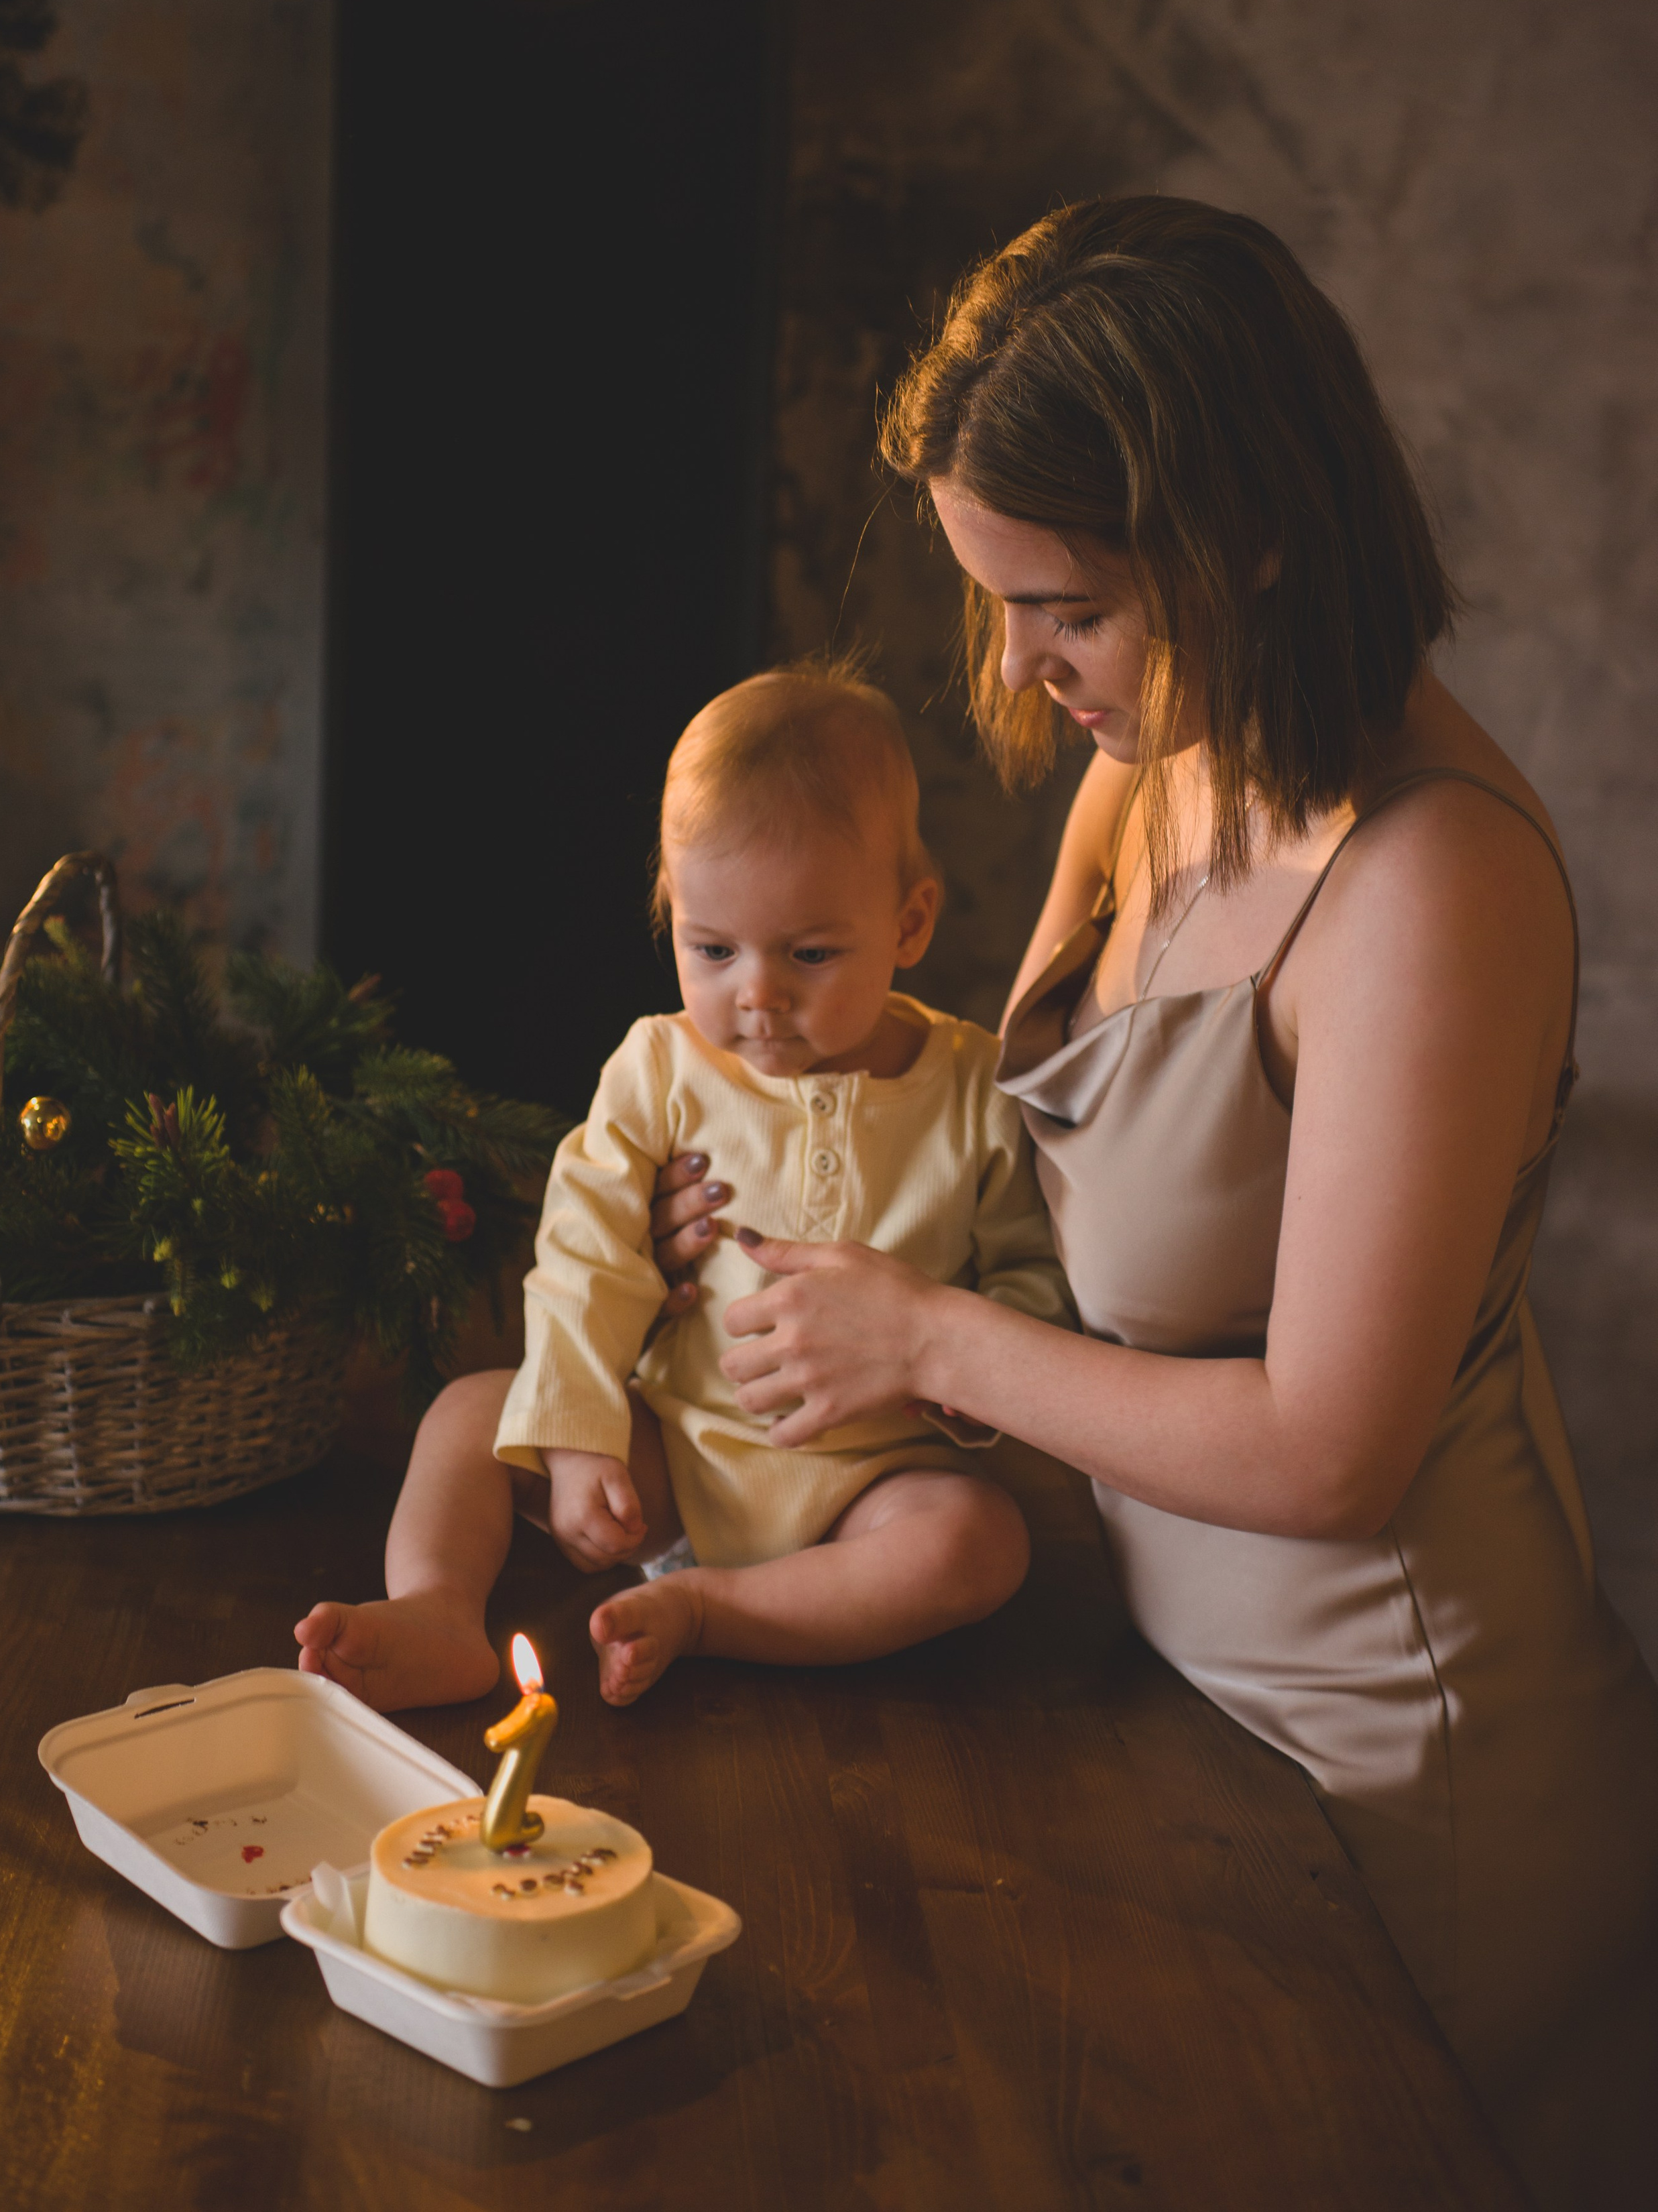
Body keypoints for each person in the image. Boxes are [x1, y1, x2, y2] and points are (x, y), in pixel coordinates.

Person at [647, 199, 1658, 2209]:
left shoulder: (1432, 884)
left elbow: (1331, 1449)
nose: (1023, 667)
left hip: (1399, 1775)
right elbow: (1008, 1162)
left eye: (1070, 608)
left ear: (1246, 534)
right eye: (998, 600)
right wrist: (763, 1194)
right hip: (1176, 1711)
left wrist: (926, 1339)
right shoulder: (1151, 769)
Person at [297, 662, 1071, 1712]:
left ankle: (711, 1611)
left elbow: (1031, 1280)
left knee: (980, 1543)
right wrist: (579, 1436)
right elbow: (588, 1254)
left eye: (810, 953)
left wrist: (951, 1381)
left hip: (874, 1482)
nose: (757, 995)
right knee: (470, 1413)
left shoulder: (975, 1088)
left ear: (908, 922)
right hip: (673, 1450)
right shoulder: (659, 1067)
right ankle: (438, 1609)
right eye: (711, 948)